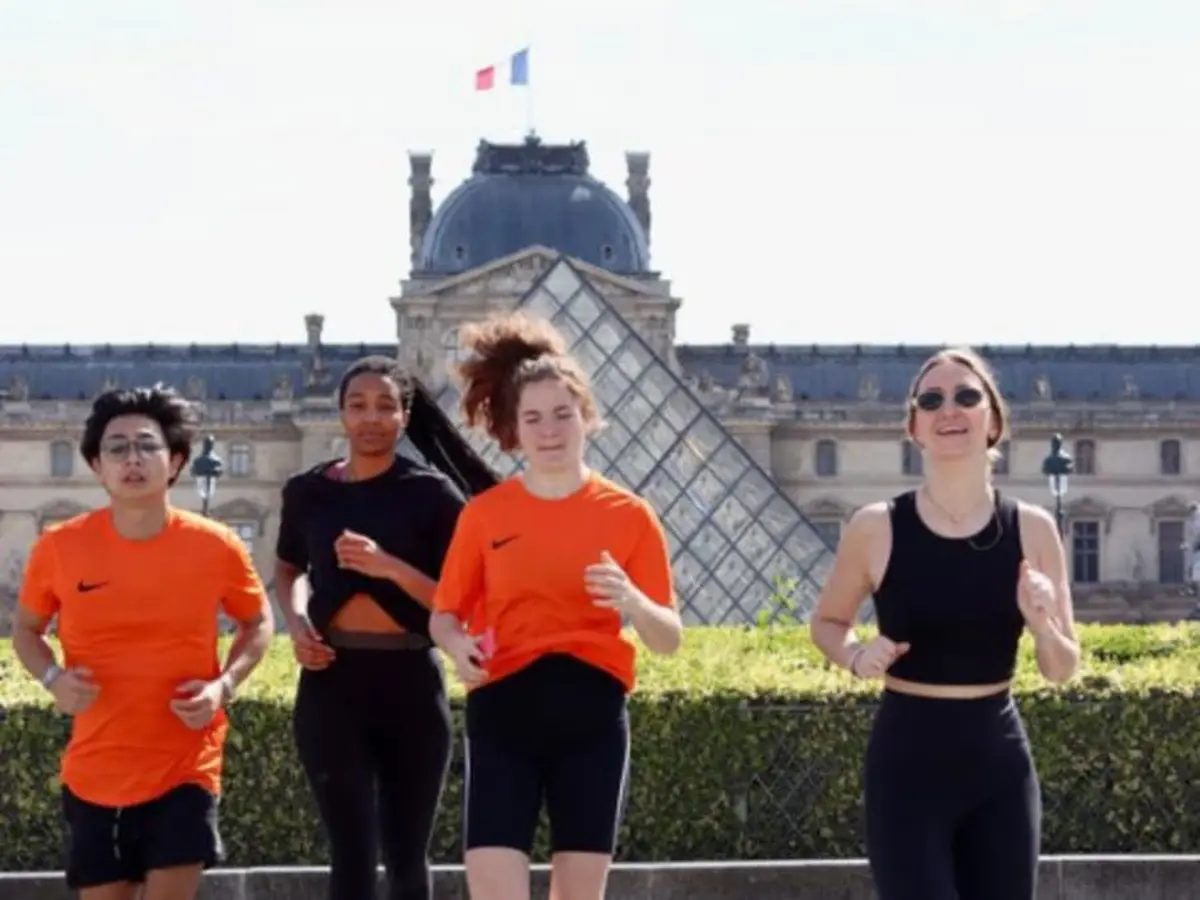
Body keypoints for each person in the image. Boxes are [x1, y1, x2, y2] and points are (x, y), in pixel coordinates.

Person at [428, 311, 685, 900]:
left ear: (587, 417)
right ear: (514, 429)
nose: (550, 431)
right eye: (534, 418)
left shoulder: (630, 516)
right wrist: (457, 645)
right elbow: (443, 616)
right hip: (502, 715)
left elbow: (669, 637)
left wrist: (632, 600)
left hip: (592, 719)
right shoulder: (484, 516)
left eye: (563, 414)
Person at [810, 348, 1082, 900]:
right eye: (930, 400)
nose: (948, 409)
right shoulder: (875, 527)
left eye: (966, 396)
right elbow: (828, 622)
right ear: (914, 427)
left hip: (1000, 766)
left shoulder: (1033, 529)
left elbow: (1062, 668)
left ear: (993, 421)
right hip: (906, 766)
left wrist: (1042, 625)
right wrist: (856, 656)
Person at [10, 385, 275, 900]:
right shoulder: (60, 547)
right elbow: (25, 629)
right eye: (117, 448)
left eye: (147, 445)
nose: (132, 459)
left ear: (175, 462)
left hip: (186, 764)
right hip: (95, 769)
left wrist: (223, 687)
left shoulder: (216, 545)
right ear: (97, 466)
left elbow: (258, 622)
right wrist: (52, 678)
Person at [274, 356, 497, 900]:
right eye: (358, 405)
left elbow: (461, 601)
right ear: (341, 414)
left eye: (384, 406)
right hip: (331, 681)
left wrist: (388, 567)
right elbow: (287, 569)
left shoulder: (433, 495)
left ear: (405, 416)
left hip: (411, 680)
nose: (370, 418)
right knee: (350, 854)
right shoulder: (307, 491)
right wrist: (297, 624)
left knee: (405, 856)